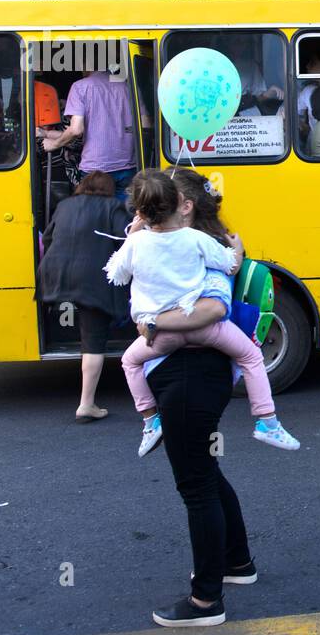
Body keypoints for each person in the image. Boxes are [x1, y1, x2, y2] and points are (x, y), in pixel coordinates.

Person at [104, 170, 300, 458]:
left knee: (130, 362)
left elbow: (117, 274)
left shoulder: (136, 243)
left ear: (141, 213)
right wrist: (237, 251)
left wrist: (133, 236)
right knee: (250, 356)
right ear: (180, 205)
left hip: (160, 335)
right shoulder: (196, 238)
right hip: (205, 329)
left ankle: (149, 420)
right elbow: (228, 266)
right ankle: (266, 421)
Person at [147, 345, 255, 628]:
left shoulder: (197, 300)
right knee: (205, 474)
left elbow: (215, 307)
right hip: (193, 375)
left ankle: (206, 601)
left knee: (197, 486)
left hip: (188, 378)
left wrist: (153, 324)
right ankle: (237, 562)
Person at [36, 171, 132, 422]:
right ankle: (86, 404)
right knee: (93, 342)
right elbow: (125, 242)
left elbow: (47, 238)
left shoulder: (65, 205)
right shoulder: (113, 206)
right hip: (92, 280)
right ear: (109, 189)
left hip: (55, 275)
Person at [39, 69, 149, 196]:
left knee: (96, 212)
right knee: (124, 214)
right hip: (129, 164)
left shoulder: (80, 87)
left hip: (96, 167)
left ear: (87, 65)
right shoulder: (129, 86)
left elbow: (76, 130)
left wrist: (53, 144)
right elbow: (145, 124)